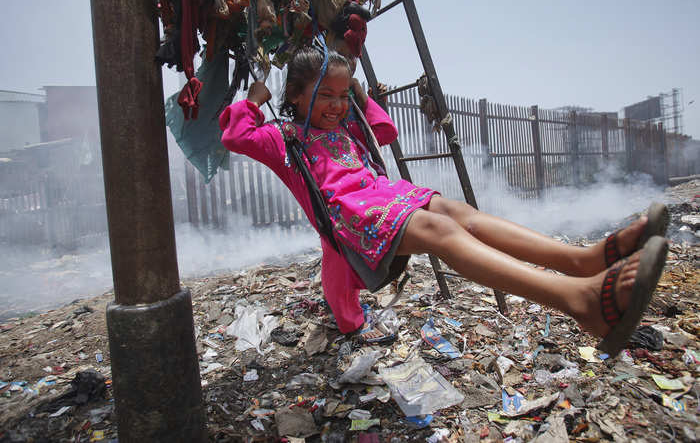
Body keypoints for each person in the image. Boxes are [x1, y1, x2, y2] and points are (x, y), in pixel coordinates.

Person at [219, 47, 669, 357]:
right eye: (325, 97)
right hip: (351, 216)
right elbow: (235, 135)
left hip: (386, 196)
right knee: (441, 233)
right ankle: (580, 300)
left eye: (341, 96)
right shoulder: (286, 138)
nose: (336, 107)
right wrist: (254, 101)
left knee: (460, 214)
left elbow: (385, 131)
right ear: (295, 96)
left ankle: (581, 260)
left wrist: (358, 95)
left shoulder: (346, 127)